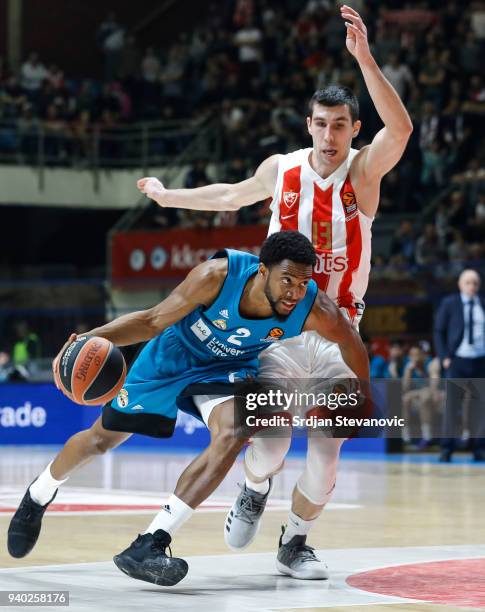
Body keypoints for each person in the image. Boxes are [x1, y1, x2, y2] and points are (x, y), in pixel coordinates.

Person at [136, 4, 412, 579]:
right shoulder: (282, 170)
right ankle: (255, 488)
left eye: (340, 124)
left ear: (354, 129)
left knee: (328, 451)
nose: (329, 133)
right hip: (278, 333)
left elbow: (403, 128)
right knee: (271, 446)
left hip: (339, 332)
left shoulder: (364, 174)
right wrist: (169, 196)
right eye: (320, 122)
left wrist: (363, 58)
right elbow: (230, 195)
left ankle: (295, 542)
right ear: (307, 124)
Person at [7, 231, 369, 588]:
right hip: (171, 358)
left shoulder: (313, 306)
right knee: (101, 440)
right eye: (287, 280)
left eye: (303, 283)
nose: (294, 292)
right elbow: (151, 321)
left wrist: (364, 391)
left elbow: (351, 342)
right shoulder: (217, 276)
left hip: (226, 371)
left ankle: (150, 543)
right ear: (262, 271)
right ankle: (39, 493)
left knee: (235, 432)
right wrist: (92, 338)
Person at [434, 269, 485, 462]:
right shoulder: (450, 303)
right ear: (460, 284)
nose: (472, 286)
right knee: (452, 407)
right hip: (458, 361)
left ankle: (478, 448)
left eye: (475, 283)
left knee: (479, 409)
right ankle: (447, 448)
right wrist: (444, 356)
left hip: (480, 361)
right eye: (468, 282)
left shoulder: (482, 304)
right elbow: (439, 330)